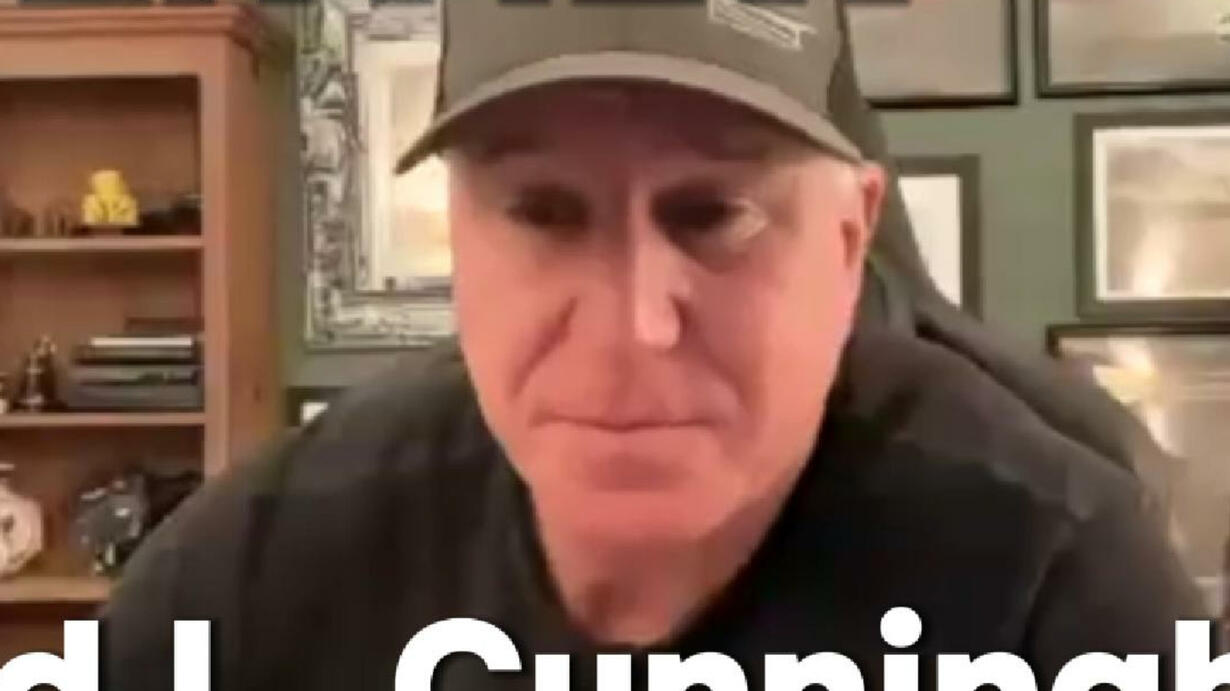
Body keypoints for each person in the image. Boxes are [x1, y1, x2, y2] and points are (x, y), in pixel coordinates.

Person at [103, 1, 1205, 689]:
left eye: (713, 213)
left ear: (849, 237)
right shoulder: (254, 579)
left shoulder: (1051, 587)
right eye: (542, 211)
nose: (633, 324)